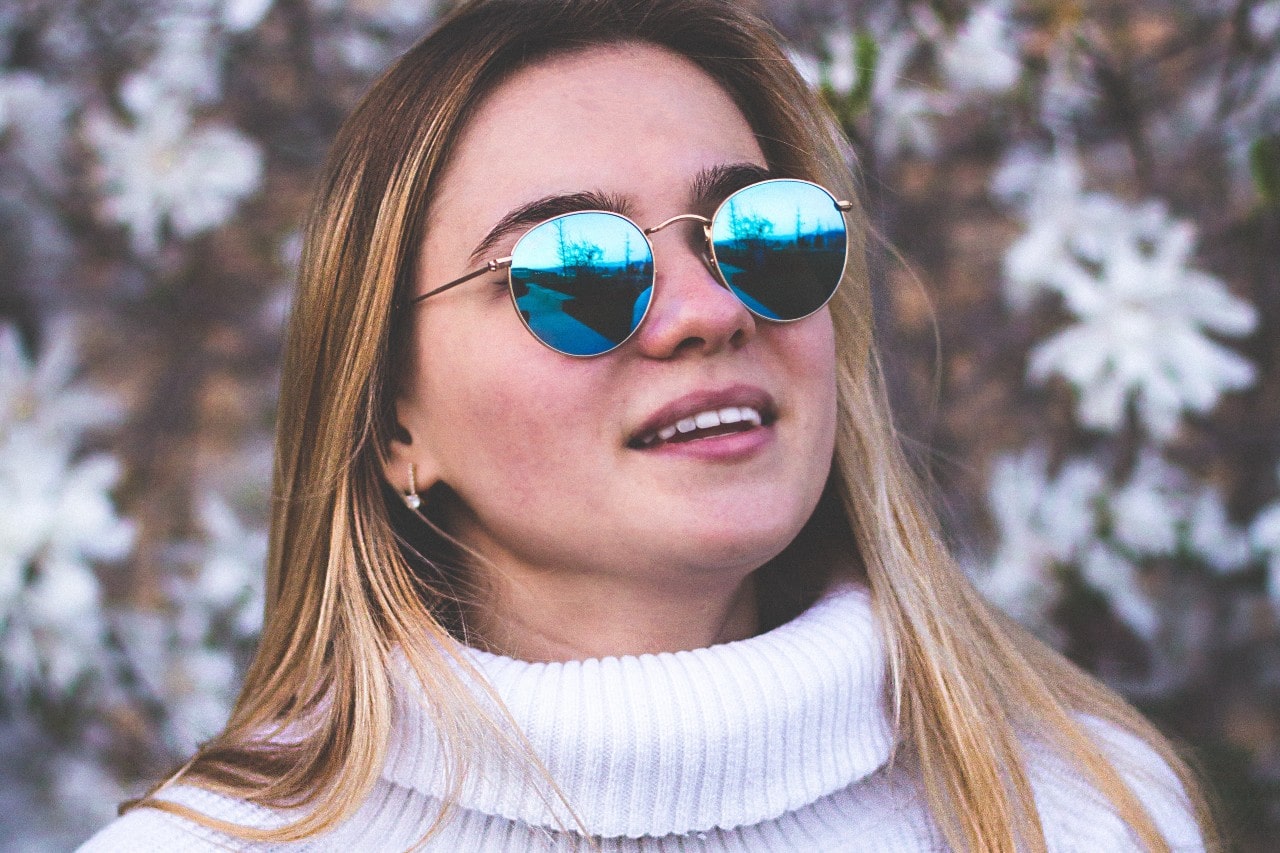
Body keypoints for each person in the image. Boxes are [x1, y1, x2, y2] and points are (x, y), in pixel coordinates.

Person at [80, 0, 1215, 850]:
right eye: (575, 269)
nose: (709, 311)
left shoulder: (1079, 804)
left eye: (761, 234)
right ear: (392, 425)